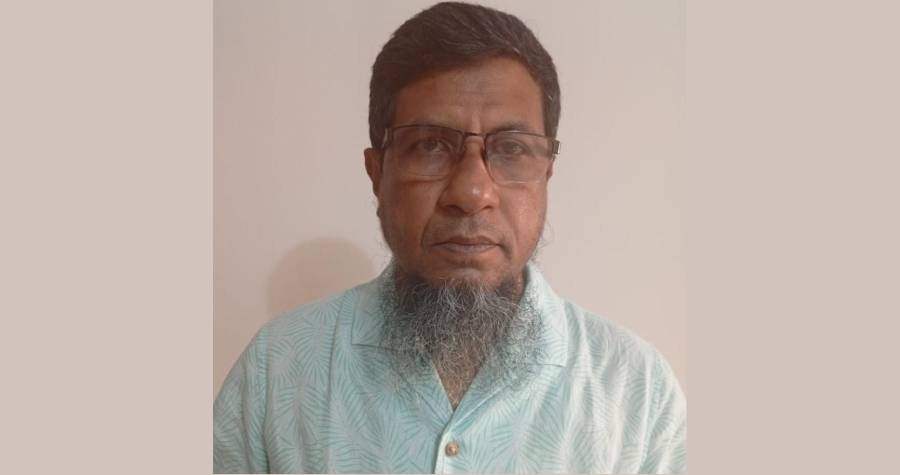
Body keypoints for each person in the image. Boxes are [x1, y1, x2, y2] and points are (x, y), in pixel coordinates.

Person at [214, 2, 686, 473]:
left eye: (512, 148)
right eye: (430, 145)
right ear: (377, 172)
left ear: (546, 173)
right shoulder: (276, 370)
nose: (472, 193)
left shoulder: (637, 393)